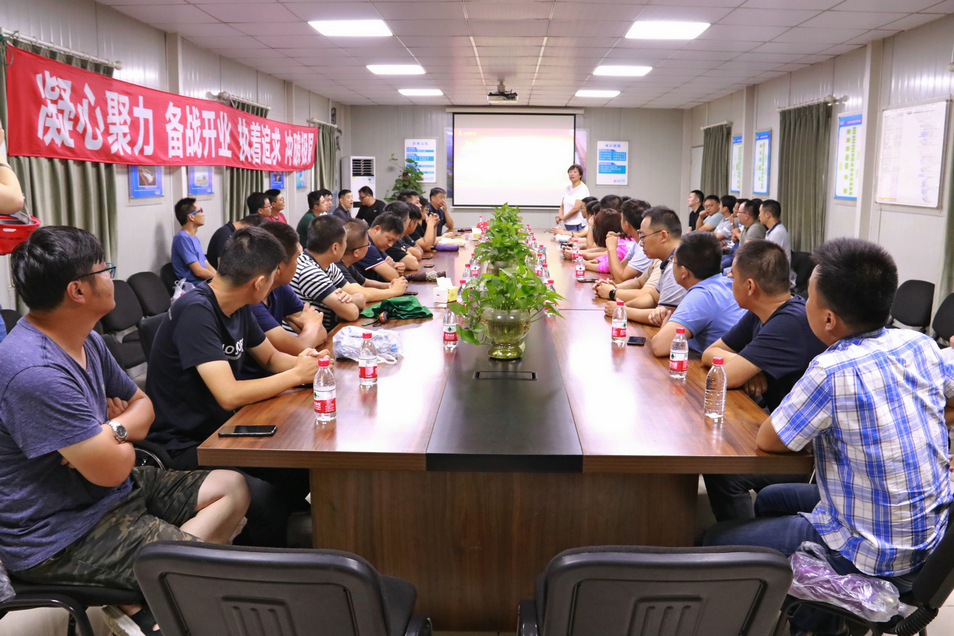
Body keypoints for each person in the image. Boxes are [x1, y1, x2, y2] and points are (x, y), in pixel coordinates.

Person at [0, 226, 249, 635]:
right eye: (105, 270)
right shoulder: (36, 371)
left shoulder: (87, 340)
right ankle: (166, 590)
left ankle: (148, 593)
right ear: (78, 290)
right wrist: (119, 437)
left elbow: (144, 408)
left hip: (109, 492)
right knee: (216, 576)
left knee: (232, 487)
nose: (111, 278)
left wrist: (109, 431)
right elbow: (113, 467)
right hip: (60, 530)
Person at [705, 238, 953, 636]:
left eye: (809, 297)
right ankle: (814, 617)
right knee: (770, 499)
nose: (802, 302)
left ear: (828, 320)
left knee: (714, 540)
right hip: (928, 543)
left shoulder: (831, 369)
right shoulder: (918, 345)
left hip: (869, 554)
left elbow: (770, 439)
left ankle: (816, 606)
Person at [146, 226, 329, 548]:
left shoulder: (237, 304)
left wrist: (311, 365)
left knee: (301, 469)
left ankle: (284, 535)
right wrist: (296, 374)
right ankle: (260, 563)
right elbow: (228, 394)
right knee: (267, 498)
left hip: (222, 430)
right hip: (185, 443)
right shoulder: (197, 310)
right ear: (259, 283)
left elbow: (271, 358)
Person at [700, 240, 825, 522]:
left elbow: (724, 377)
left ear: (750, 286)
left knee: (724, 470)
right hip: (782, 431)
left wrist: (747, 364)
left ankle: (742, 542)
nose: (729, 280)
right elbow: (711, 353)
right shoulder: (761, 313)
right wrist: (751, 365)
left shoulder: (789, 322)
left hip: (806, 455)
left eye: (732, 276)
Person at [240, 221, 328, 380]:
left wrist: (310, 331)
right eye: (297, 259)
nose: (298, 264)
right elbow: (298, 348)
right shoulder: (250, 301)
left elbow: (321, 333)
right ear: (278, 268)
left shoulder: (280, 287)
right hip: (257, 383)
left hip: (277, 376)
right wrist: (312, 325)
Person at [648, 231, 745, 358]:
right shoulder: (726, 283)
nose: (671, 264)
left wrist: (666, 321)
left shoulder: (702, 295)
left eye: (673, 261)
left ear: (684, 272)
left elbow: (660, 346)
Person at [604, 206, 687, 325]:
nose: (641, 244)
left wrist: (624, 311)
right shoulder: (668, 260)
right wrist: (622, 306)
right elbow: (652, 297)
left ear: (663, 236)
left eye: (643, 237)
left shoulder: (679, 265)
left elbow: (666, 317)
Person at [291, 215, 366, 333]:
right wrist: (348, 302)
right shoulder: (309, 271)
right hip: (305, 340)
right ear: (335, 247)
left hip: (322, 333)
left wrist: (350, 298)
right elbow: (352, 313)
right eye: (345, 241)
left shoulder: (329, 265)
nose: (346, 246)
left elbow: (361, 298)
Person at [337, 219, 409, 303]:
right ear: (356, 252)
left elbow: (364, 282)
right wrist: (394, 291)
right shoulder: (337, 267)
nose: (369, 247)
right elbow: (361, 293)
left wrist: (388, 285)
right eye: (368, 244)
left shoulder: (346, 263)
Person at [596, 198, 652, 286]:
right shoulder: (637, 242)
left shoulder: (644, 248)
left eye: (621, 218)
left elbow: (620, 279)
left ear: (626, 224)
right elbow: (617, 271)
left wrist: (612, 248)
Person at [171, 197, 216, 284]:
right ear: (191, 217)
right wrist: (220, 281)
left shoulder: (194, 238)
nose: (203, 214)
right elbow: (199, 271)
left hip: (205, 283)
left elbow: (206, 264)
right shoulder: (182, 238)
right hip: (196, 287)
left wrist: (220, 279)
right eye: (200, 211)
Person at [355, 213, 409, 283]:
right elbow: (393, 276)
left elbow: (392, 265)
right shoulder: (366, 246)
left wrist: (396, 266)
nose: (390, 245)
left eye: (393, 242)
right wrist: (392, 269)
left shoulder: (378, 245)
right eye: (389, 240)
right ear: (377, 229)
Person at [555, 164, 589, 232]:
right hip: (568, 222)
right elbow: (562, 205)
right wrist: (560, 215)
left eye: (575, 172)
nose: (572, 174)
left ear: (580, 175)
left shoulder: (582, 188)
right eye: (570, 172)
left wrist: (564, 217)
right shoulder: (568, 188)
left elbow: (576, 208)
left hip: (578, 223)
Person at [759, 199, 792, 264]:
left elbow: (771, 260)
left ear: (768, 214)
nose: (759, 215)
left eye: (760, 212)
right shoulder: (773, 230)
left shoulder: (777, 233)